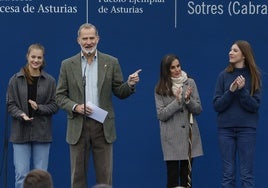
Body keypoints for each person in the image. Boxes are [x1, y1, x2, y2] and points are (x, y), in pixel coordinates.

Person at [55, 23, 141, 188]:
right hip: (78, 126)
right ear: (78, 40)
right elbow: (59, 96)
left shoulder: (111, 62)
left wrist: (129, 84)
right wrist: (75, 107)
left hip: (102, 125)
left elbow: (120, 92)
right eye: (85, 38)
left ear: (98, 39)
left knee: (105, 176)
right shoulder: (67, 64)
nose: (88, 42)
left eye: (91, 38)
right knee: (77, 177)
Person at [6, 43, 58, 188]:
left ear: (43, 59)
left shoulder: (50, 81)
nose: (36, 60)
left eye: (39, 57)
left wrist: (39, 107)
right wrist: (21, 114)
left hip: (42, 133)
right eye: (33, 57)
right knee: (21, 175)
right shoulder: (15, 80)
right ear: (27, 57)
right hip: (20, 133)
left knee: (41, 177)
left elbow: (55, 105)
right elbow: (10, 105)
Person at [213, 40, 262, 188]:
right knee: (228, 175)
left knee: (246, 175)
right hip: (225, 130)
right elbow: (217, 105)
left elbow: (254, 106)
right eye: (230, 50)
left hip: (247, 130)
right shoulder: (223, 75)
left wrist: (242, 91)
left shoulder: (254, 76)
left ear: (244, 55)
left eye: (234, 50)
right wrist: (231, 91)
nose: (230, 52)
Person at [154, 54, 203, 188]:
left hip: (189, 136)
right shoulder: (160, 89)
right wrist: (178, 101)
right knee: (173, 179)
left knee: (187, 179)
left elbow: (198, 109)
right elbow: (161, 115)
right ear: (166, 70)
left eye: (178, 66)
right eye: (172, 67)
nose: (177, 70)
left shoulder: (190, 83)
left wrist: (188, 100)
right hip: (171, 138)